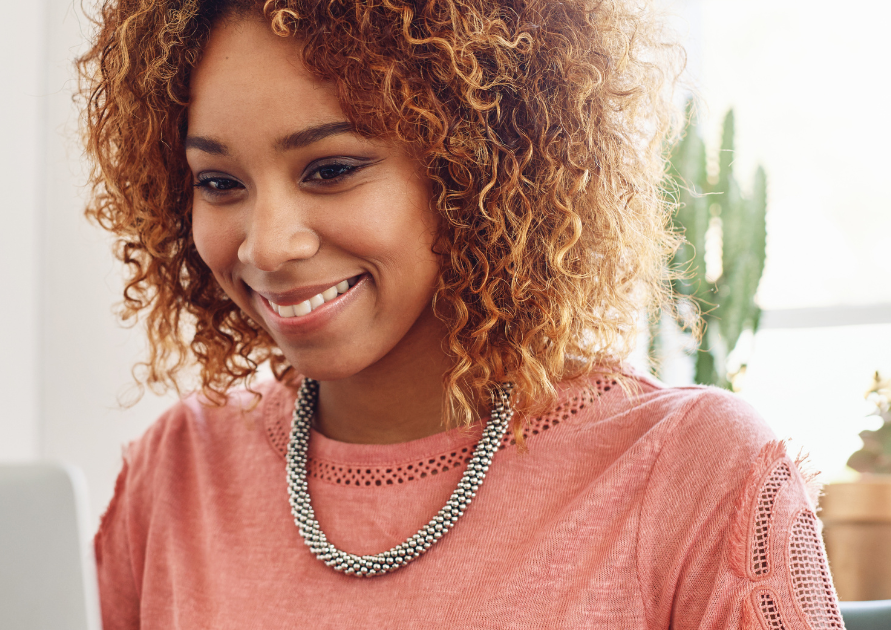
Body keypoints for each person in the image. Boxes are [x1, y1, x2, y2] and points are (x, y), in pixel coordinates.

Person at [77, 0, 844, 627]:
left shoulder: (692, 471)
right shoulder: (178, 469)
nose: (269, 245)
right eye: (218, 183)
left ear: (478, 162)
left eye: (333, 169)